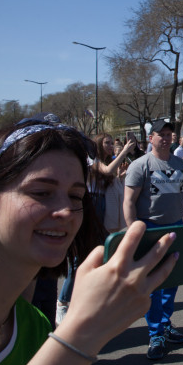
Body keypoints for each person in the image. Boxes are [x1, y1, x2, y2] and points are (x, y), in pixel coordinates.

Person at [0, 119, 177, 365]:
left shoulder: (35, 325)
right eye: (41, 193)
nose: (66, 211)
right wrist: (83, 331)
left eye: (75, 196)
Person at [124, 119, 183, 360]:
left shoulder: (180, 164)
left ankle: (166, 324)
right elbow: (129, 202)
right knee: (153, 285)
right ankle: (155, 333)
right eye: (161, 135)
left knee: (171, 280)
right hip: (150, 228)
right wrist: (134, 233)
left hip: (176, 226)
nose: (166, 139)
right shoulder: (141, 165)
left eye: (169, 134)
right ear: (151, 138)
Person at [56, 131, 135, 324]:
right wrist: (125, 151)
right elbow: (105, 172)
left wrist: (120, 176)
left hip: (102, 206)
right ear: (98, 144)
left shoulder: (105, 162)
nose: (110, 146)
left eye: (111, 143)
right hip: (90, 205)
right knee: (80, 258)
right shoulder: (91, 160)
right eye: (107, 143)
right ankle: (63, 302)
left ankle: (93, 299)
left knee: (102, 253)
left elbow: (108, 178)